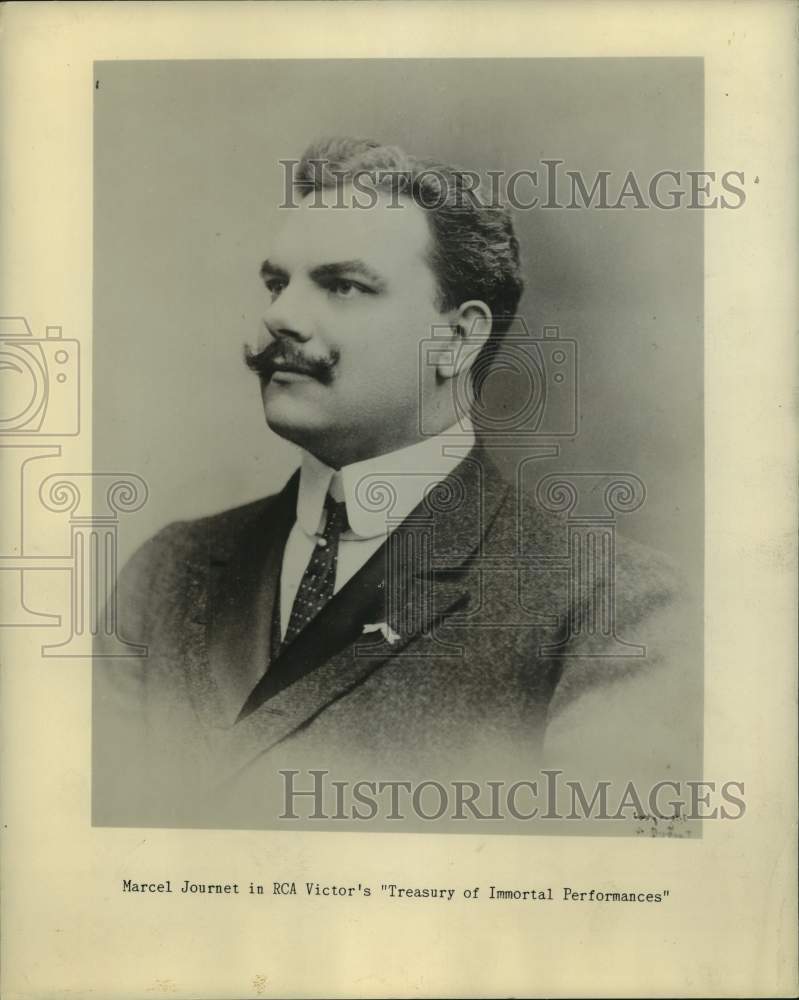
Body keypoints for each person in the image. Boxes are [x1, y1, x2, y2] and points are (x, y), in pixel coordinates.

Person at [93, 137, 699, 829]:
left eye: (343, 286)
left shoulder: (610, 604)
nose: (280, 317)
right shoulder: (166, 573)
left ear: (457, 339)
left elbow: (586, 904)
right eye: (276, 283)